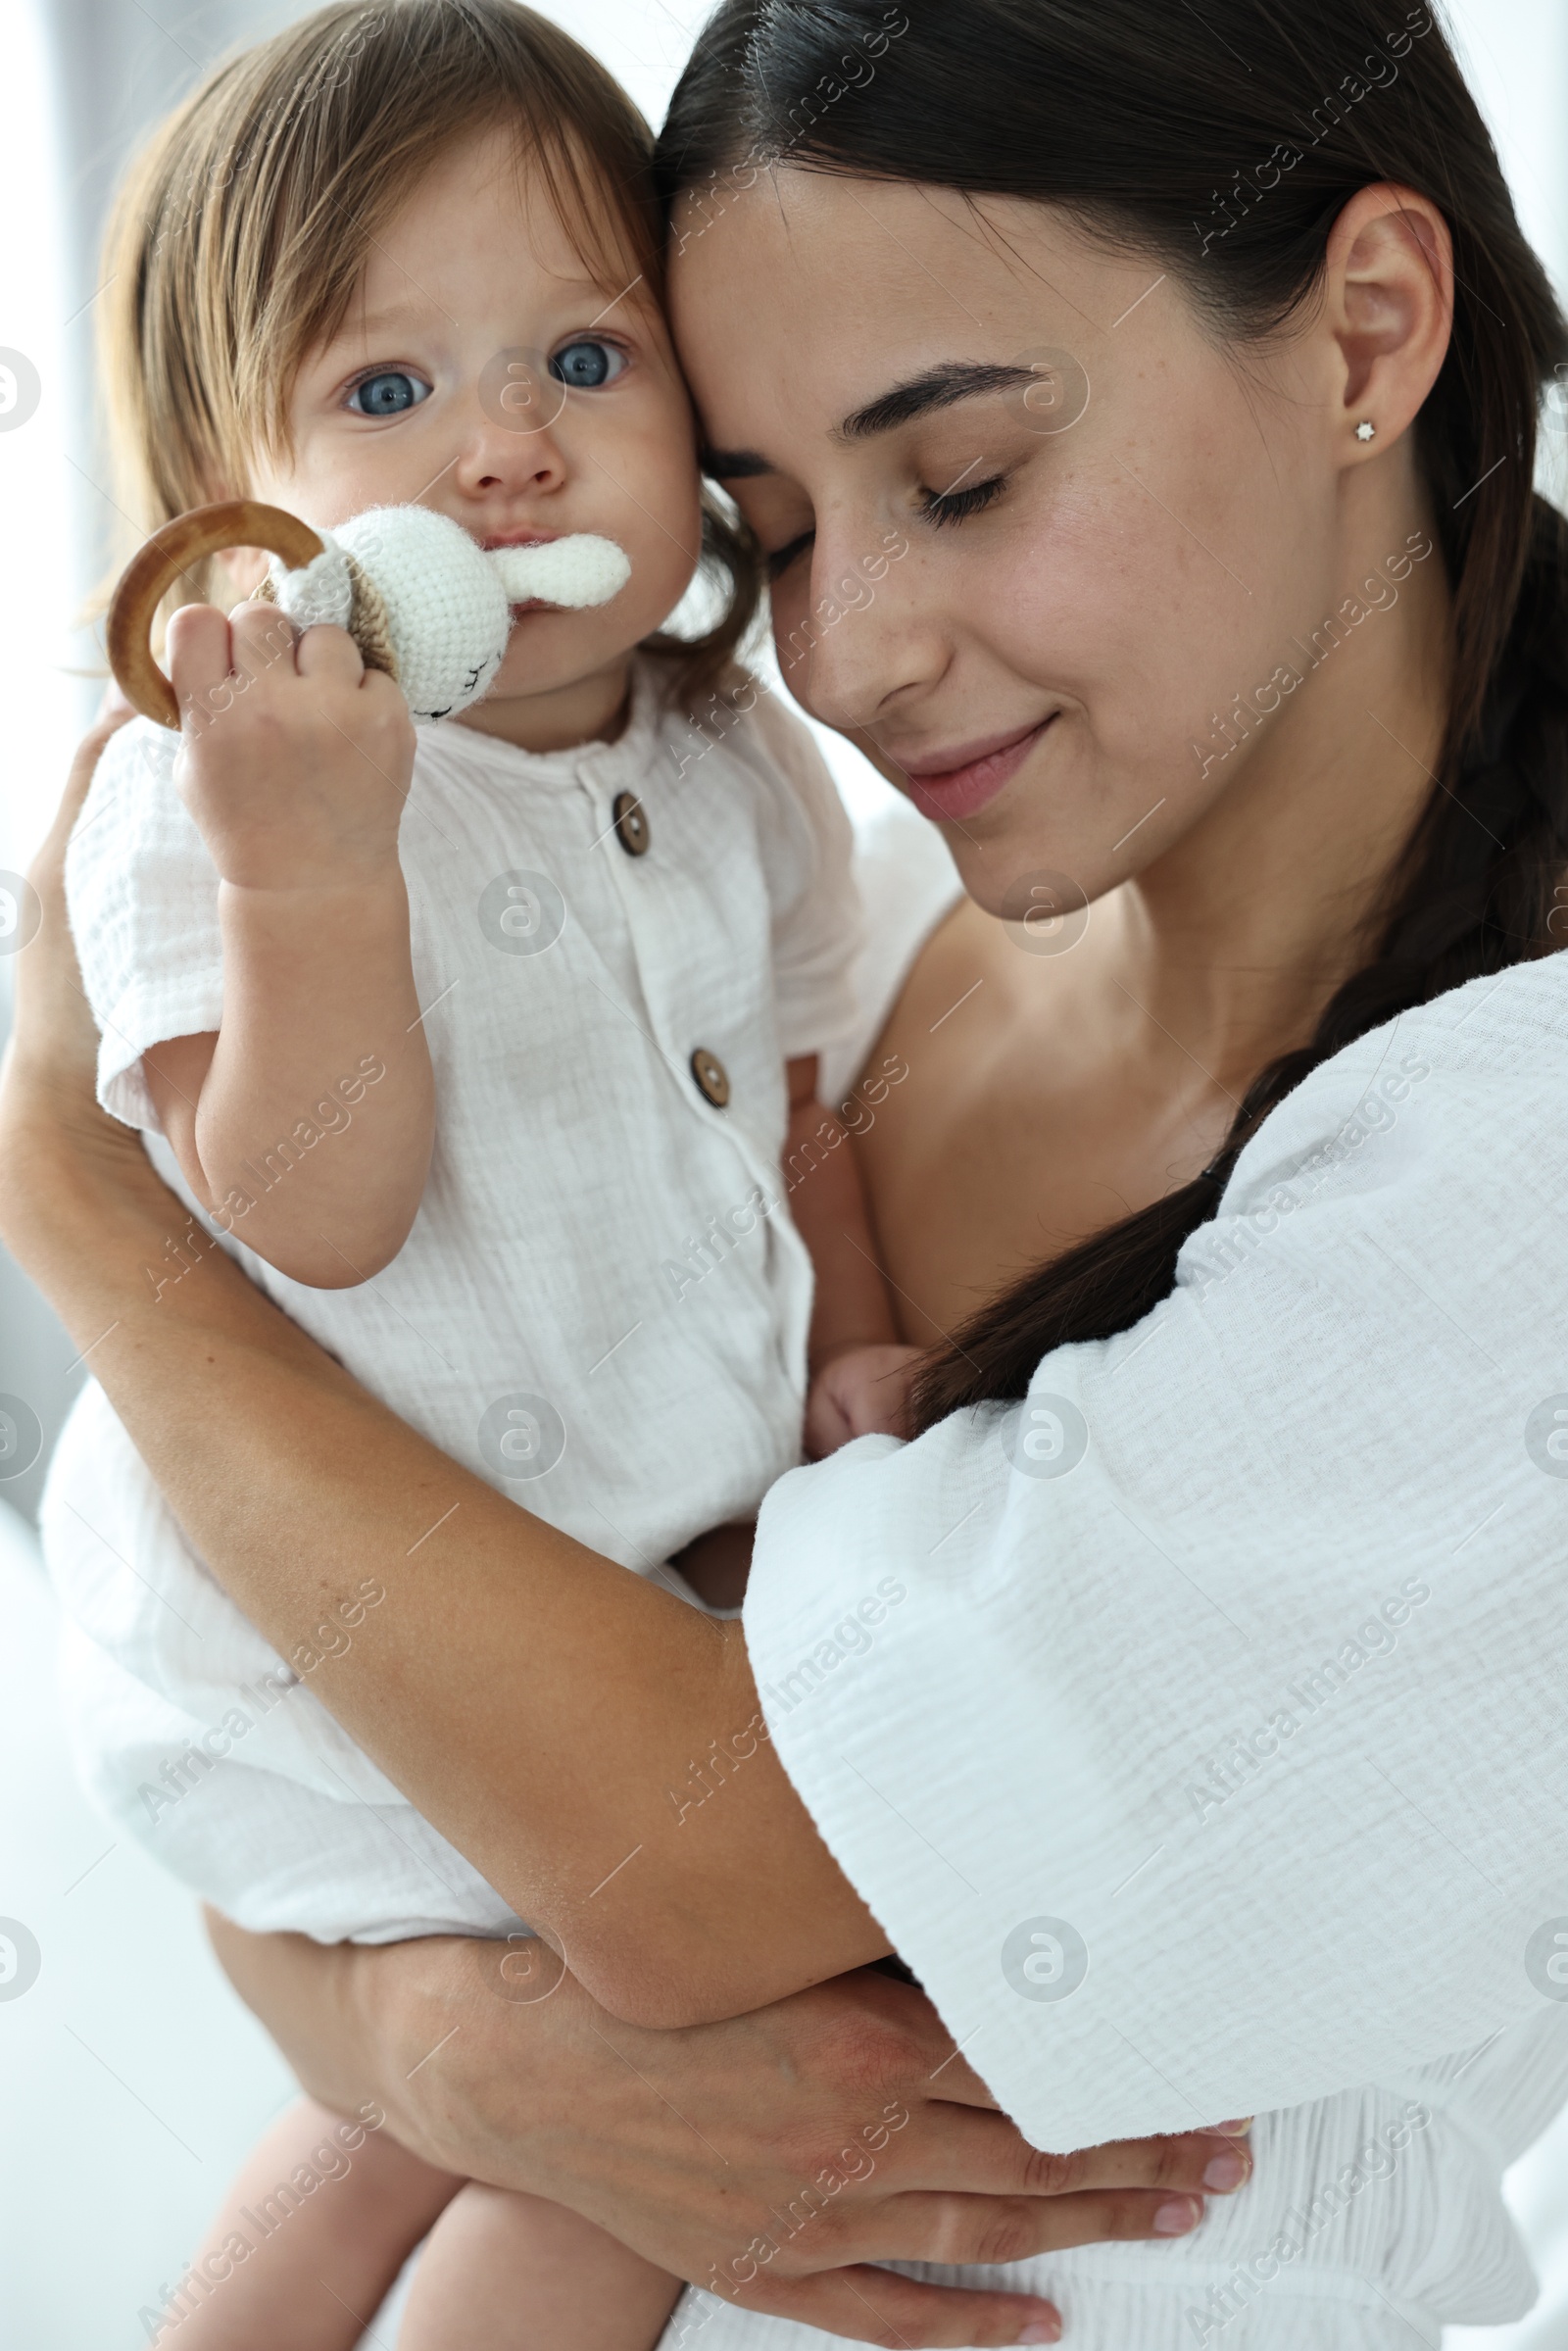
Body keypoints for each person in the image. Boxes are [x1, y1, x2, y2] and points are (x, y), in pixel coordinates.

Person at [8, 0, 1568, 2344]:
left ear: (1363, 331)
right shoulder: (919, 937)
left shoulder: (1497, 1170)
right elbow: (334, 1808)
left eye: (954, 482)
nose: (846, 655)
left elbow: (674, 1872)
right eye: (768, 538)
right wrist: (449, 2046)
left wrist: (61, 1181)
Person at [39, 5, 935, 2345]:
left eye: (576, 356)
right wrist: (311, 882)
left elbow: (793, 1090)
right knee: (574, 2105)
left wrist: (847, 1344)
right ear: (234, 494)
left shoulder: (739, 754)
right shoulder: (218, 794)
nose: (513, 452)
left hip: (621, 1580)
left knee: (425, 2105)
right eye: (387, 396)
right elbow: (298, 1212)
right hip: (348, 1643)